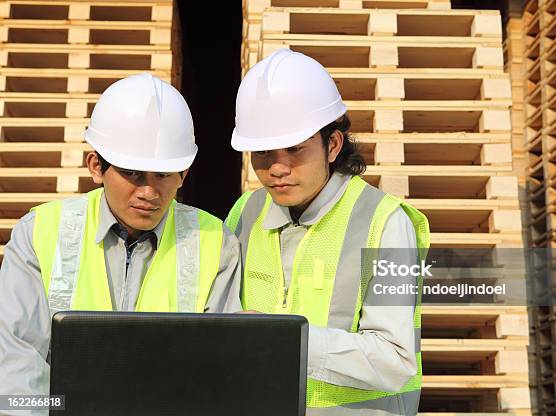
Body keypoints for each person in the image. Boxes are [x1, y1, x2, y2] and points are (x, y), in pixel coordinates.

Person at [0, 73, 242, 406]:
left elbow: (222, 368)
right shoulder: (40, 232)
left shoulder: (216, 242)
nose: (148, 192)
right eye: (131, 173)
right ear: (96, 166)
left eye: (163, 175)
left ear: (184, 174)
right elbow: (17, 361)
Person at [225, 50, 430, 415]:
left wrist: (288, 341)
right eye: (262, 153)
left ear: (332, 145)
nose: (277, 168)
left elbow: (396, 361)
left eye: (294, 150)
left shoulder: (387, 223)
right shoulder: (245, 213)